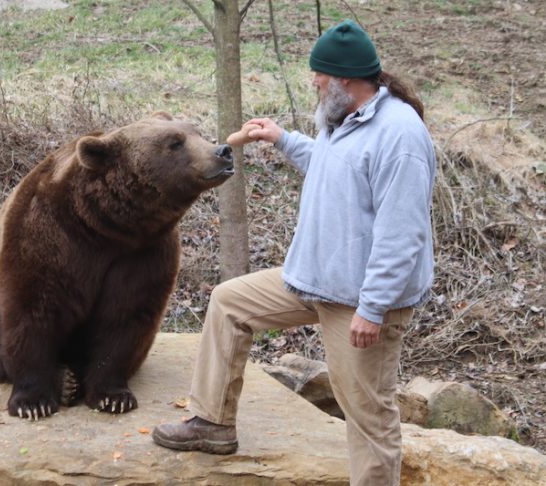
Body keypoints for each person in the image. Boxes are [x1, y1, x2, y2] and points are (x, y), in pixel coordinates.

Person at [152, 19, 436, 486]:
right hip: (313, 280)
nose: (314, 81)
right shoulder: (344, 118)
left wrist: (373, 306)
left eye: (319, 74)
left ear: (346, 79)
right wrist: (283, 140)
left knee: (367, 414)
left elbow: (402, 234)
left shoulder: (400, 137)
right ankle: (212, 423)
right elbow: (333, 169)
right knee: (229, 303)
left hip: (359, 301)